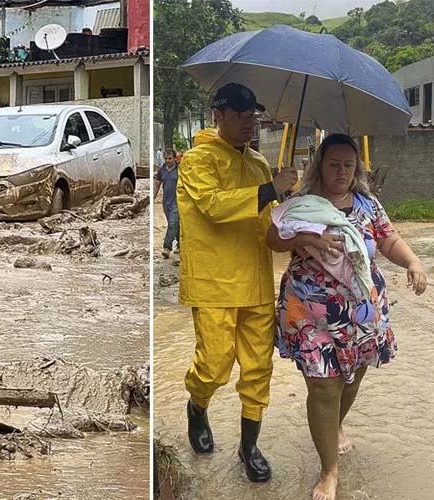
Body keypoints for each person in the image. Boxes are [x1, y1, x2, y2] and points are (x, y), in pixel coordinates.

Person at [267, 133, 427, 500]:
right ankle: (329, 470)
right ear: (319, 165)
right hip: (309, 310)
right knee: (323, 386)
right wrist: (306, 239)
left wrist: (414, 262)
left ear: (357, 170)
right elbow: (272, 240)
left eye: (348, 165)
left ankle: (333, 425)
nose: (341, 171)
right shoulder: (301, 203)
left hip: (361, 311)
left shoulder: (367, 205)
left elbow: (388, 240)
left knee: (352, 377)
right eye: (333, 164)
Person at [177, 82, 298, 482]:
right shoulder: (197, 161)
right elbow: (214, 207)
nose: (250, 124)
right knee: (213, 366)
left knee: (258, 368)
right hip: (212, 282)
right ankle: (197, 404)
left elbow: (269, 227)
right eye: (241, 116)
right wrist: (269, 189)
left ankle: (249, 447)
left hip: (257, 284)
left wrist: (297, 226)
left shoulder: (262, 164)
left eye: (254, 116)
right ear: (219, 115)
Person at [153, 149, 179, 258]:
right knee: (174, 225)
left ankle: (167, 247)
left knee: (172, 224)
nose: (168, 161)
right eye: (166, 159)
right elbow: (157, 185)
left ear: (175, 158)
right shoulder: (161, 170)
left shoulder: (180, 169)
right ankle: (181, 244)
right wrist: (152, 198)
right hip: (166, 202)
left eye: (170, 158)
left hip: (177, 202)